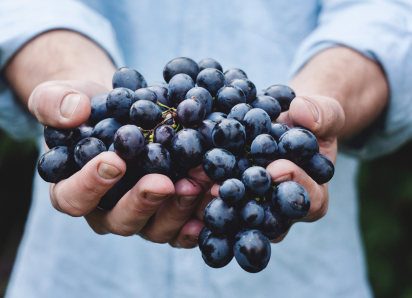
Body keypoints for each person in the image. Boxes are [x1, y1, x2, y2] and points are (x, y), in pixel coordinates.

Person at [1, 0, 412, 297]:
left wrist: (321, 100)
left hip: (304, 280)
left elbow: (384, 15)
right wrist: (70, 84)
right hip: (80, 277)